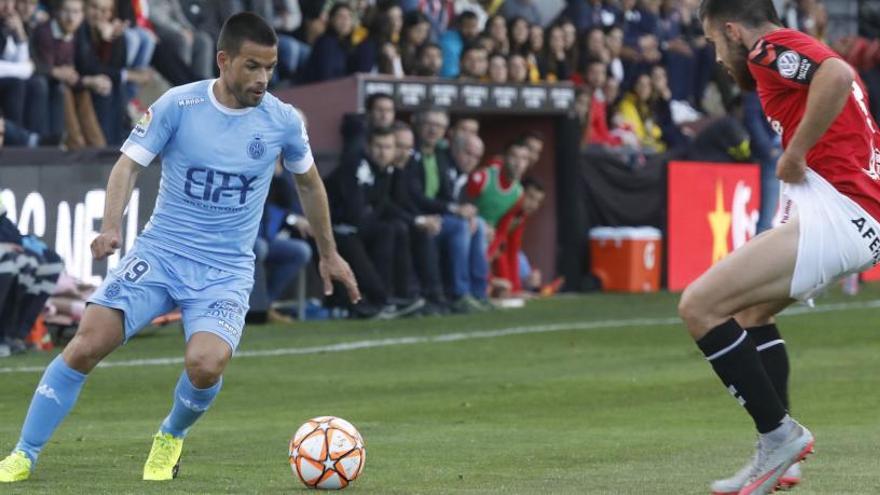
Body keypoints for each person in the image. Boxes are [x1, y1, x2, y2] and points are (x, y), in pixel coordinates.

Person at [0, 12, 359, 483]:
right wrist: (112, 226)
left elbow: (310, 186)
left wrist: (329, 253)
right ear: (223, 60)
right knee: (87, 343)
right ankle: (24, 453)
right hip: (161, 254)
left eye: (269, 68)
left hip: (225, 269)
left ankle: (170, 435)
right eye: (252, 66)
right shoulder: (178, 105)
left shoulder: (282, 121)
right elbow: (127, 167)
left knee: (206, 366)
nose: (263, 79)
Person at [679, 1, 880, 494]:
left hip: (838, 211)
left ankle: (780, 436)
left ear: (731, 30)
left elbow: (835, 74)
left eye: (713, 42)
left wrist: (795, 151)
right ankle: (782, 457)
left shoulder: (770, 47)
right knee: (751, 314)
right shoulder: (788, 54)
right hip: (856, 214)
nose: (718, 57)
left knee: (699, 305)